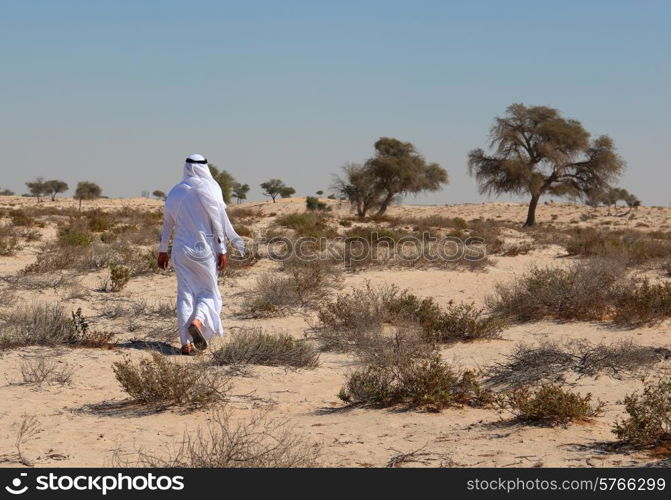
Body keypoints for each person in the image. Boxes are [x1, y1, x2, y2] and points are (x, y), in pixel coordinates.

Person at [157, 154, 244, 355]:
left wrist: (163, 250)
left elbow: (167, 224)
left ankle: (185, 344)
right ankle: (198, 320)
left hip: (180, 250)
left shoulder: (175, 191)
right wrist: (222, 250)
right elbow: (217, 222)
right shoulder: (211, 189)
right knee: (209, 292)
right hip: (204, 250)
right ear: (205, 168)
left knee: (185, 294)